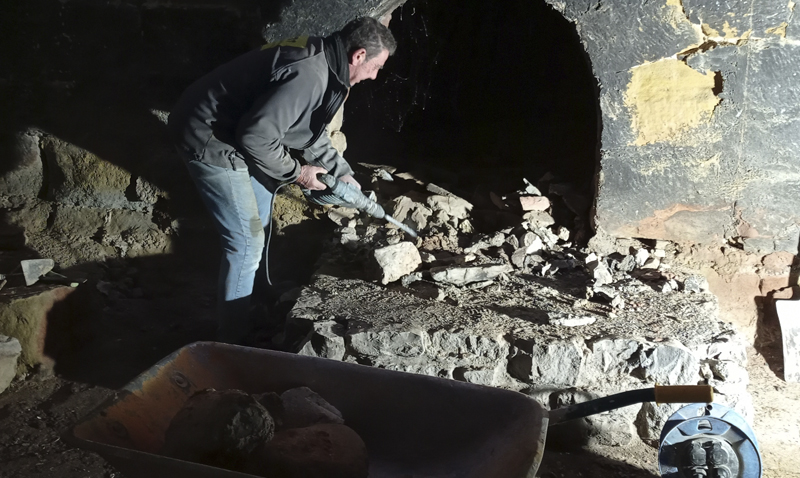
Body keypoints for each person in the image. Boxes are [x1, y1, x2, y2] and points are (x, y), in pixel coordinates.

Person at [168, 17, 396, 343]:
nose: (374, 76)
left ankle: (256, 301)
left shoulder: (328, 63)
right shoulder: (309, 73)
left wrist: (340, 170)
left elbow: (310, 131)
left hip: (240, 134)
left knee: (258, 224)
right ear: (359, 56)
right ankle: (232, 341)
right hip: (211, 137)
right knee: (245, 244)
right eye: (376, 67)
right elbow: (257, 137)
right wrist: (300, 174)